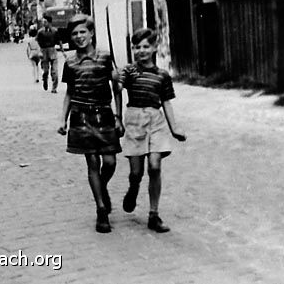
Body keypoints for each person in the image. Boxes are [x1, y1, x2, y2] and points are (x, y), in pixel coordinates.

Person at [58, 14, 124, 233]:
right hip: (81, 117)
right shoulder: (69, 61)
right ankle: (101, 210)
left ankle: (102, 187)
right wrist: (63, 119)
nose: (79, 37)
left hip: (104, 115)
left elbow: (116, 88)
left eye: (82, 32)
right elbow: (69, 92)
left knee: (111, 162)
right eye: (75, 33)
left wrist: (118, 117)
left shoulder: (105, 57)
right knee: (93, 163)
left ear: (92, 33)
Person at [117, 28, 187, 233]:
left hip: (155, 121)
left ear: (154, 47)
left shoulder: (162, 75)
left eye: (146, 46)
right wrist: (117, 116)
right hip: (134, 120)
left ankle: (153, 215)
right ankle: (133, 187)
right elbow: (118, 89)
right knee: (136, 172)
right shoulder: (129, 71)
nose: (141, 51)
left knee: (155, 167)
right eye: (137, 47)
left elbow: (166, 102)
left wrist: (174, 128)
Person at [36, 15, 66, 93]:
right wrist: (39, 51)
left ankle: (54, 87)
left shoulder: (55, 31)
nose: (43, 23)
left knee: (55, 71)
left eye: (45, 22)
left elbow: (59, 41)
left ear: (49, 22)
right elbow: (37, 42)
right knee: (45, 71)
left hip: (52, 51)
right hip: (44, 52)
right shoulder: (40, 32)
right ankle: (45, 80)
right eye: (43, 22)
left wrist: (63, 51)